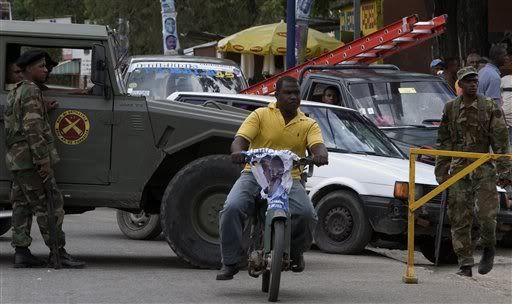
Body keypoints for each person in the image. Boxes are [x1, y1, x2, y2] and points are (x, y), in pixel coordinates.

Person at [216, 76, 329, 280]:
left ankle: (295, 252)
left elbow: (317, 146)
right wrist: (238, 152)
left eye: (296, 93)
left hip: (289, 178)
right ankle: (230, 261)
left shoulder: (308, 123)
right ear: (276, 95)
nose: (293, 97)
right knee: (232, 207)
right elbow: (240, 141)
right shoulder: (260, 115)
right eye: (288, 93)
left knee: (306, 214)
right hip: (255, 174)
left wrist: (320, 155)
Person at [4, 49, 85, 268]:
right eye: (41, 66)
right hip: (31, 160)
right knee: (49, 204)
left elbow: (18, 123)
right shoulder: (31, 91)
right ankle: (57, 253)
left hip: (16, 160)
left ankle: (21, 252)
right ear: (29, 70)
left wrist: (42, 109)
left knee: (21, 204)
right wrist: (42, 161)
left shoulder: (16, 91)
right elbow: (32, 129)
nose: (46, 70)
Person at [434, 66, 511, 277]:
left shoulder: (488, 107)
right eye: (468, 81)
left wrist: (505, 171)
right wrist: (441, 171)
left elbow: (501, 140)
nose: (473, 84)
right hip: (459, 168)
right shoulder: (450, 108)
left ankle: (488, 247)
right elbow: (444, 141)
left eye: (475, 80)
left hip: (483, 166)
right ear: (460, 84)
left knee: (487, 215)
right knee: (459, 216)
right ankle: (465, 263)